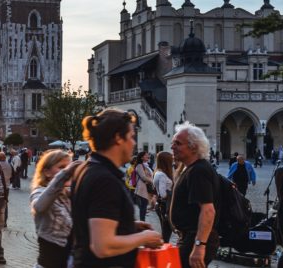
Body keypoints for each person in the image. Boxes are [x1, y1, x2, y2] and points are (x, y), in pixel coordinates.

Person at [71, 109, 162, 267]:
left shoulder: (86, 168)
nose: (134, 143)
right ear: (118, 138)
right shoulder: (105, 180)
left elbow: (90, 221)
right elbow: (103, 246)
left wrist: (128, 225)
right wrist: (145, 238)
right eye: (132, 137)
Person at [170, 122, 220, 268]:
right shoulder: (192, 169)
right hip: (189, 238)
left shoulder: (198, 171)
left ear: (194, 147)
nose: (172, 147)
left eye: (178, 143)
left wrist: (199, 246)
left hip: (195, 239)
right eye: (173, 143)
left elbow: (208, 210)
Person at [29, 150, 76, 268]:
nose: (67, 171)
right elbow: (39, 206)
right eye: (61, 167)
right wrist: (64, 174)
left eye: (69, 167)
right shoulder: (40, 192)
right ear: (47, 172)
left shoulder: (68, 194)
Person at [152, 151, 175, 242]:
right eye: (171, 160)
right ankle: (164, 252)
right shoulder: (161, 175)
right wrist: (172, 192)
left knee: (166, 232)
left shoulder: (158, 172)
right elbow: (163, 194)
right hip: (165, 206)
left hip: (162, 205)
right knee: (166, 232)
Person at [132, 151, 154, 221]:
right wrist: (152, 181)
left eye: (148, 155)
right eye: (146, 155)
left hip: (145, 188)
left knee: (144, 207)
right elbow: (143, 177)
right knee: (143, 207)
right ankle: (142, 222)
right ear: (141, 157)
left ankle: (143, 222)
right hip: (141, 189)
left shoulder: (145, 165)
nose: (148, 156)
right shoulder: (139, 165)